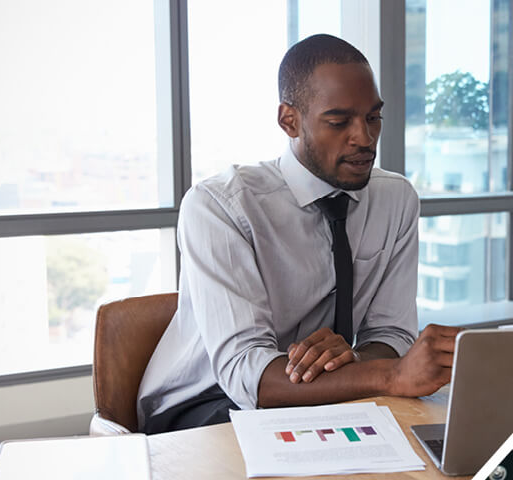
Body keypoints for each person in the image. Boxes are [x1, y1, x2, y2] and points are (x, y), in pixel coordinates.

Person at [136, 34, 459, 434]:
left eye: (373, 118)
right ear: (289, 120)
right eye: (339, 122)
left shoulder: (395, 200)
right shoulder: (219, 206)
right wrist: (389, 374)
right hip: (205, 405)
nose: (364, 138)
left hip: (322, 397)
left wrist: (355, 361)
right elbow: (246, 375)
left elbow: (390, 334)